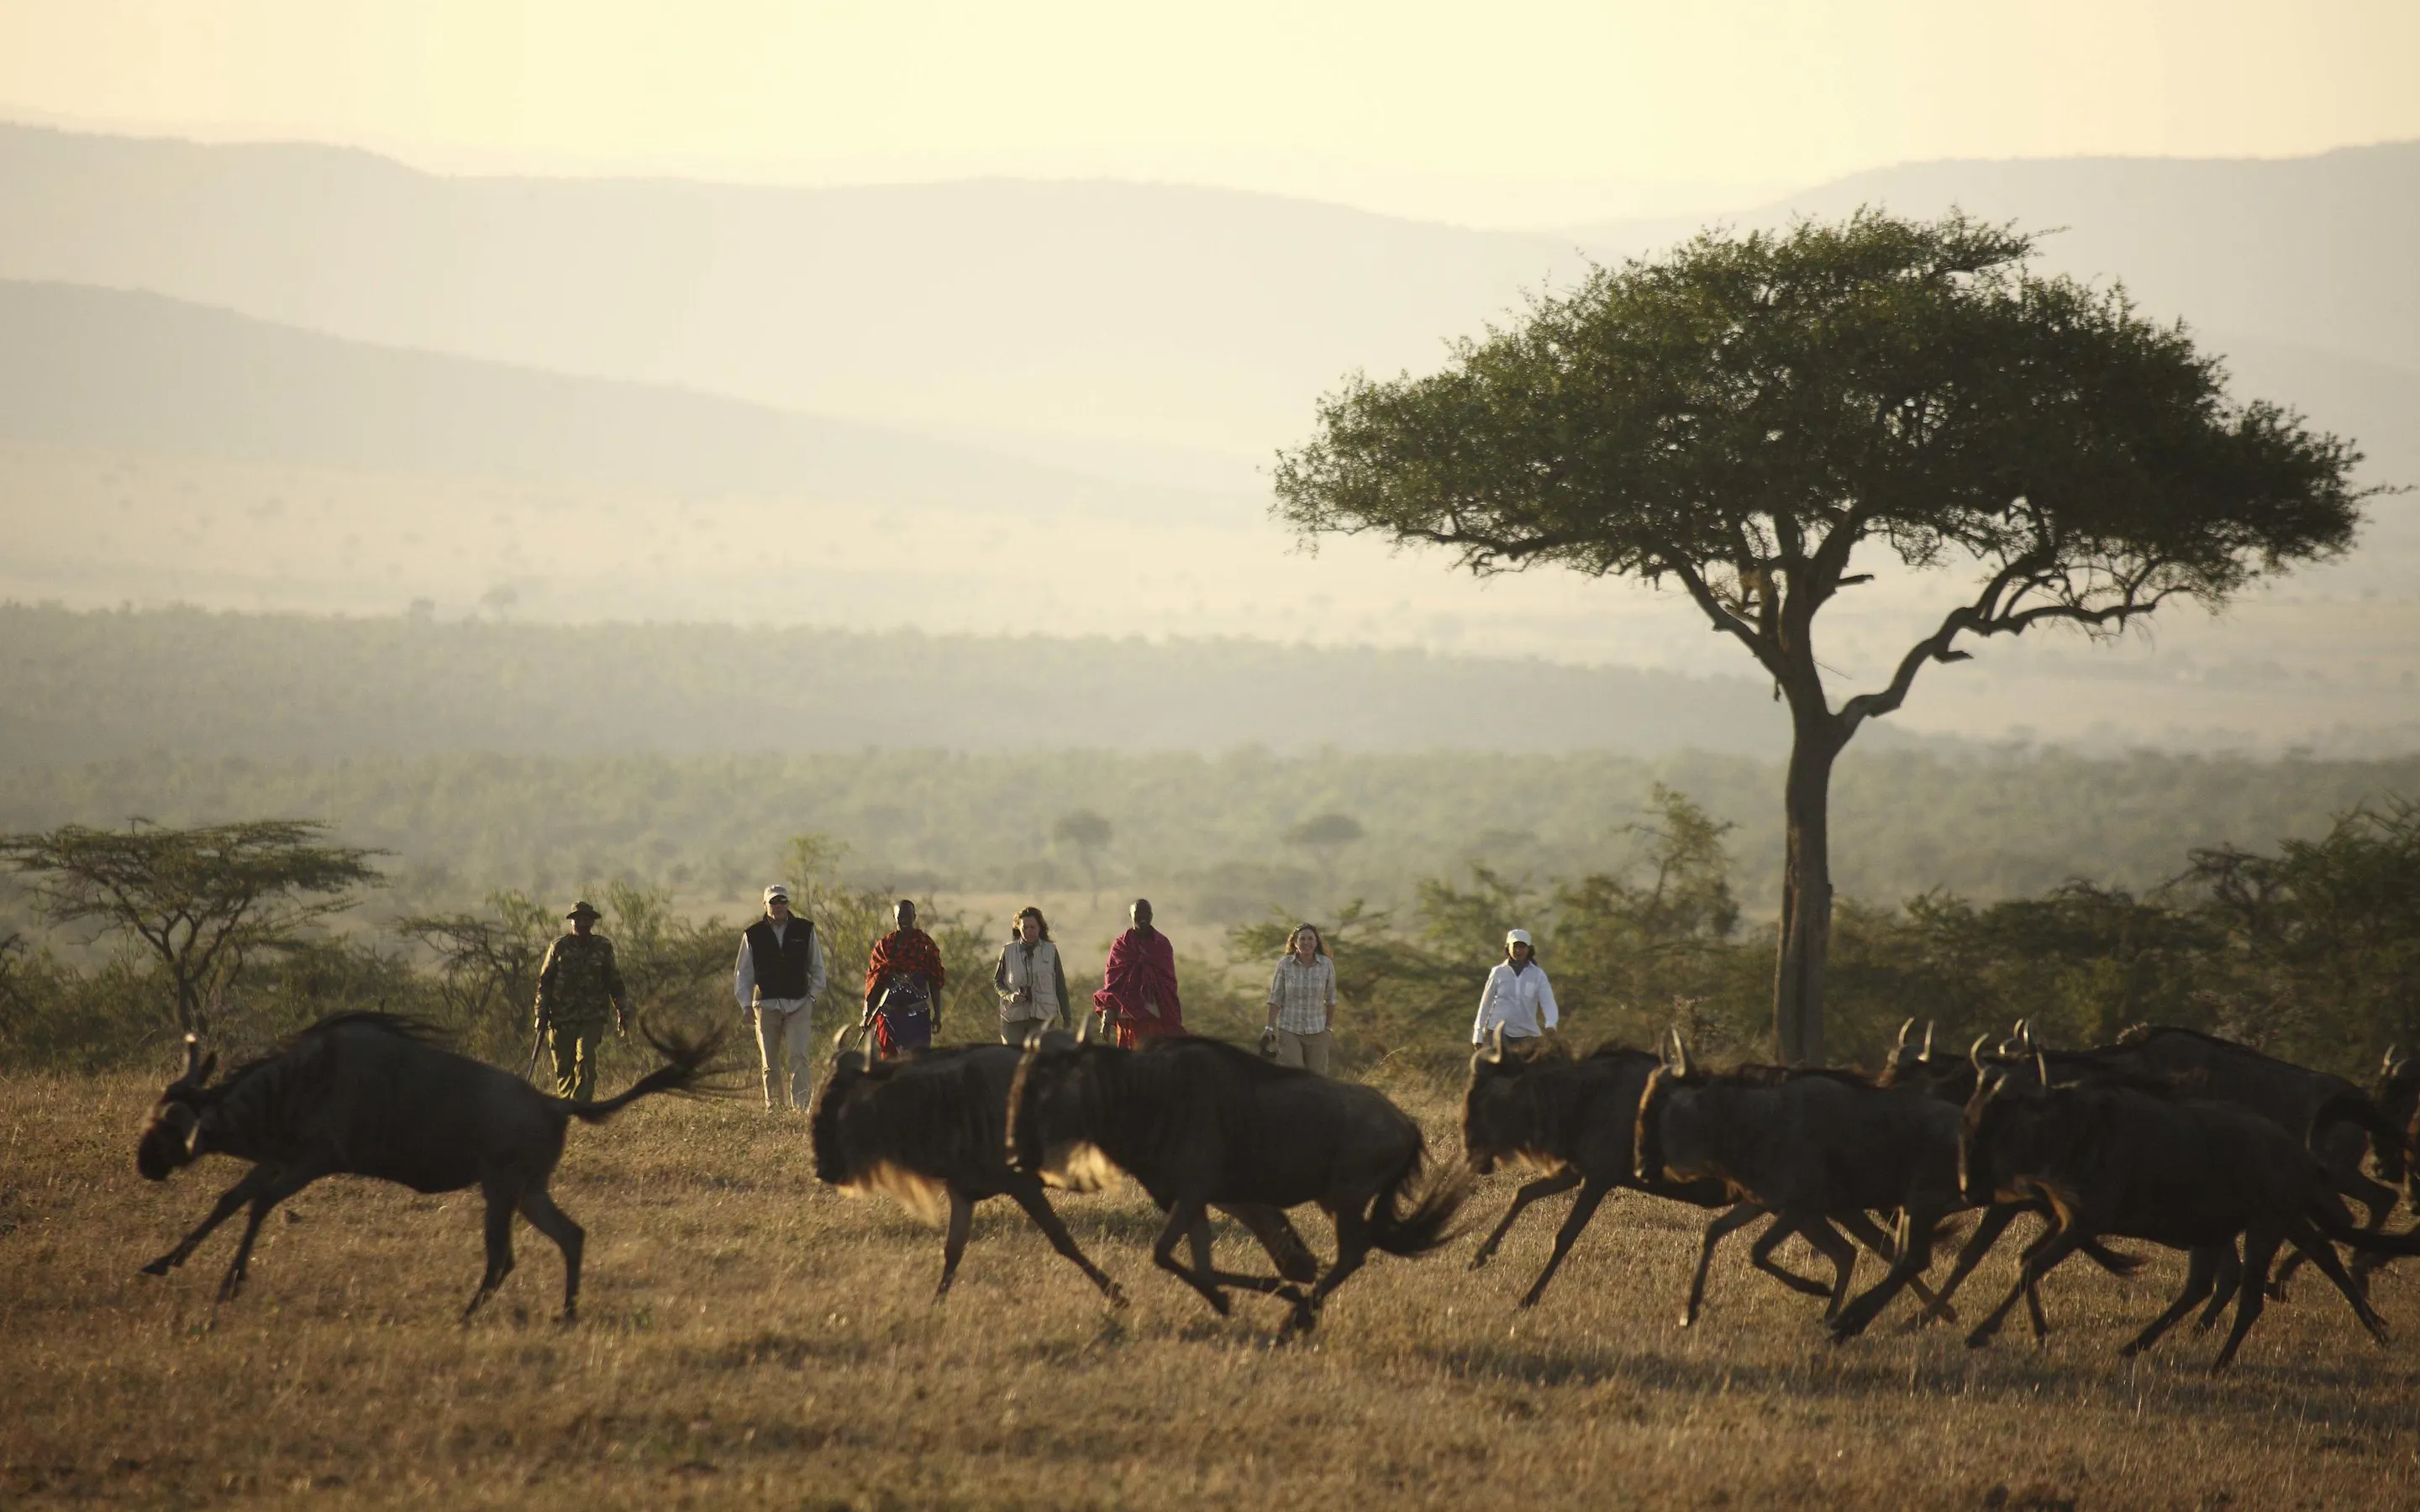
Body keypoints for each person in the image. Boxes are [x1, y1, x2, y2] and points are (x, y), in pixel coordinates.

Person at [735, 883, 826, 1110]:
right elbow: (743, 972)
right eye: (773, 902)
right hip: (766, 1005)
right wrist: (746, 1005)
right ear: (765, 905)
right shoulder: (753, 934)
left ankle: (802, 1108)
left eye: (782, 901)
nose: (778, 906)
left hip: (798, 1004)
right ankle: (775, 1109)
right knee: (770, 1063)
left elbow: (817, 966)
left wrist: (811, 997)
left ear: (788, 903)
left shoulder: (805, 930)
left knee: (799, 1058)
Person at [531, 900, 629, 1103]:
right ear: (572, 922)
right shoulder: (558, 946)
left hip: (592, 1016)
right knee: (563, 1067)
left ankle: (582, 1103)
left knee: (585, 1056)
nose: (582, 924)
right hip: (560, 1017)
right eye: (578, 920)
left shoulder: (603, 947)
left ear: (592, 923)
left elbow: (614, 981)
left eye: (586, 920)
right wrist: (540, 1014)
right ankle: (568, 1104)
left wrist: (622, 1010)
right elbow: (545, 983)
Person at [1092, 897, 1182, 1049]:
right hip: (1128, 1016)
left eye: (1146, 914)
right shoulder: (1121, 945)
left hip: (1156, 1013)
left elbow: (1169, 982)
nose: (1142, 918)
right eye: (1138, 914)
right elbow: (1112, 985)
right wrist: (1106, 1020)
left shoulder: (1162, 944)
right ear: (1130, 916)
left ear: (1151, 916)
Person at [862, 899, 946, 1058]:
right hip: (889, 1017)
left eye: (908, 916)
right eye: (900, 917)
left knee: (918, 1064)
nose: (904, 921)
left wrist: (937, 1015)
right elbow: (873, 982)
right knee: (889, 1064)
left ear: (914, 916)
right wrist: (867, 1015)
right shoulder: (884, 947)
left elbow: (935, 981)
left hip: (918, 1017)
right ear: (894, 917)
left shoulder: (925, 945)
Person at [1260, 921, 1338, 1074]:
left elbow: (1331, 999)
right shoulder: (1285, 964)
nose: (1306, 943)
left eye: (1310, 939)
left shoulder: (1326, 965)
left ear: (1316, 943)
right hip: (1289, 1029)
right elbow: (1276, 997)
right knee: (1294, 1075)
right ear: (1295, 943)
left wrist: (1328, 1028)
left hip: (1317, 1030)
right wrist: (1269, 1027)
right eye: (1302, 939)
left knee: (1318, 1077)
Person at [993, 905, 1070, 1046]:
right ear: (1018, 928)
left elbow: (1060, 986)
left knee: (1041, 1060)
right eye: (1025, 928)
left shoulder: (1050, 951)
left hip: (1043, 1017)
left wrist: (1067, 1017)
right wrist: (1010, 996)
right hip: (1013, 1018)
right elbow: (998, 983)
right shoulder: (1008, 952)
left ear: (1040, 928)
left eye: (1032, 927)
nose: (1028, 931)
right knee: (1013, 1058)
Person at [1471, 927, 1558, 1047]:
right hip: (1499, 1033)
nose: (1518, 951)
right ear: (1508, 948)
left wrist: (1551, 1024)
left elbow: (1548, 1003)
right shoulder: (1498, 972)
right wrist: (1478, 1036)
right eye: (1515, 947)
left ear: (1529, 949)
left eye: (1522, 947)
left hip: (1528, 1034)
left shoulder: (1537, 975)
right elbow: (1485, 1005)